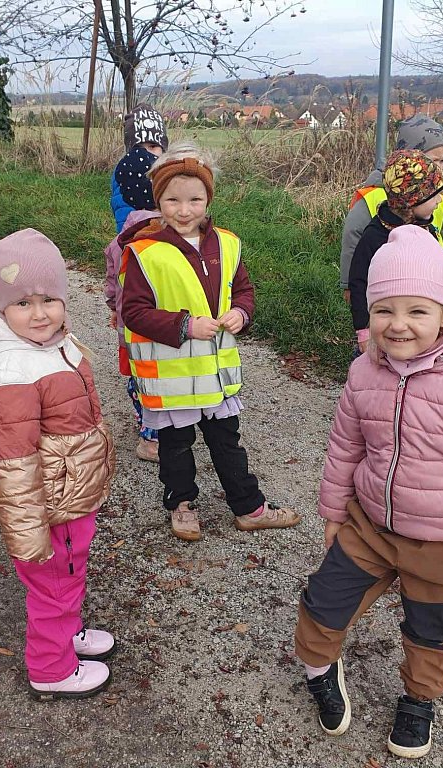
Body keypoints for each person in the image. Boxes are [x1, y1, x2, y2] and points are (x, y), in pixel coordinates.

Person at [294, 226, 443, 760]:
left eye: (417, 311)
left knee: (430, 629)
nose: (398, 324)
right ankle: (319, 669)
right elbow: (345, 445)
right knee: (322, 602)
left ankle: (419, 700)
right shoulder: (364, 371)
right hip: (370, 526)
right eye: (384, 310)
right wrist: (334, 511)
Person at [120, 143, 301, 541]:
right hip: (172, 381)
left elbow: (244, 289)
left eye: (195, 200)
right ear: (158, 200)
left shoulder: (228, 244)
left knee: (227, 443)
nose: (184, 210)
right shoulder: (144, 253)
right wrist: (184, 325)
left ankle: (249, 507)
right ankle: (181, 504)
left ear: (209, 199)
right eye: (173, 200)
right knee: (175, 447)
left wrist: (241, 313)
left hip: (216, 377)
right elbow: (133, 312)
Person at [0, 228, 117, 700]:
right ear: (0, 307)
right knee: (53, 587)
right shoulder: (12, 370)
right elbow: (12, 466)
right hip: (49, 511)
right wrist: (28, 535)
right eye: (23, 303)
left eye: (49, 300)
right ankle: (51, 669)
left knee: (67, 578)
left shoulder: (54, 343)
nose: (39, 314)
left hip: (67, 498)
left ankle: (68, 632)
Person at [340, 115, 443, 301]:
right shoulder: (373, 195)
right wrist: (349, 284)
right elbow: (353, 238)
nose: (439, 168)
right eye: (434, 160)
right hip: (383, 286)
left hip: (424, 284)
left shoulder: (435, 198)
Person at [348, 149, 443, 357]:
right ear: (412, 200)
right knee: (377, 369)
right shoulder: (375, 237)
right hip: (385, 329)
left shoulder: (426, 230)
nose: (439, 201)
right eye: (434, 196)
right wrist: (364, 331)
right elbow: (359, 282)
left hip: (418, 325)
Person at [104, 209, 163, 463]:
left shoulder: (118, 243)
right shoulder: (168, 238)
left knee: (139, 382)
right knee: (162, 381)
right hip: (166, 330)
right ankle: (158, 435)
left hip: (130, 332)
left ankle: (150, 436)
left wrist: (113, 308)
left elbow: (112, 283)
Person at [110, 103, 168, 233]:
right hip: (132, 233)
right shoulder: (123, 173)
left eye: (152, 146)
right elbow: (121, 209)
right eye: (138, 147)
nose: (145, 153)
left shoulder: (167, 172)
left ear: (163, 149)